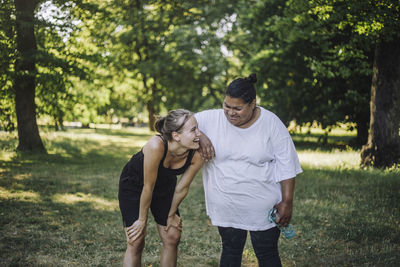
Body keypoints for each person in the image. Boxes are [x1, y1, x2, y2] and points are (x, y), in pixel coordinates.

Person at [195, 73, 302, 267]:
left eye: (238, 108)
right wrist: (199, 134)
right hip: (227, 205)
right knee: (230, 250)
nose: (230, 113)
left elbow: (287, 164)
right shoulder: (210, 119)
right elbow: (172, 122)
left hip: (263, 207)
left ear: (253, 103)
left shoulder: (271, 123)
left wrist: (287, 201)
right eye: (226, 106)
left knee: (267, 252)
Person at [118, 109, 203, 267]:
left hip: (164, 186)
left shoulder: (197, 154)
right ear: (176, 136)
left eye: (197, 128)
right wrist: (142, 220)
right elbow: (147, 187)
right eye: (193, 130)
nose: (199, 134)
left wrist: (171, 214)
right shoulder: (156, 145)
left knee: (172, 235)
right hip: (135, 185)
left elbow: (182, 188)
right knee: (136, 240)